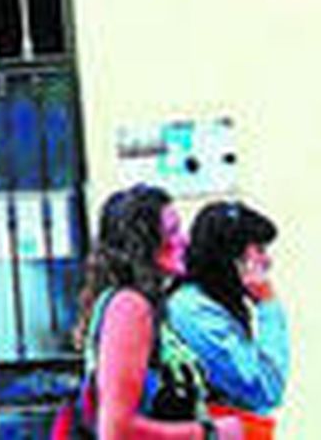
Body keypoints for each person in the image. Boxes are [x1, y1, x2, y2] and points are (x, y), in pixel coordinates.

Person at [63, 185, 243, 440]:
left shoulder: (145, 305)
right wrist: (209, 433)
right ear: (143, 245)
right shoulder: (129, 308)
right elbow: (115, 430)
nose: (185, 240)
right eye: (172, 231)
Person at [166, 202, 288, 440]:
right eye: (259, 250)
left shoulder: (214, 304)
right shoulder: (193, 311)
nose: (267, 262)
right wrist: (268, 305)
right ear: (232, 257)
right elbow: (265, 388)